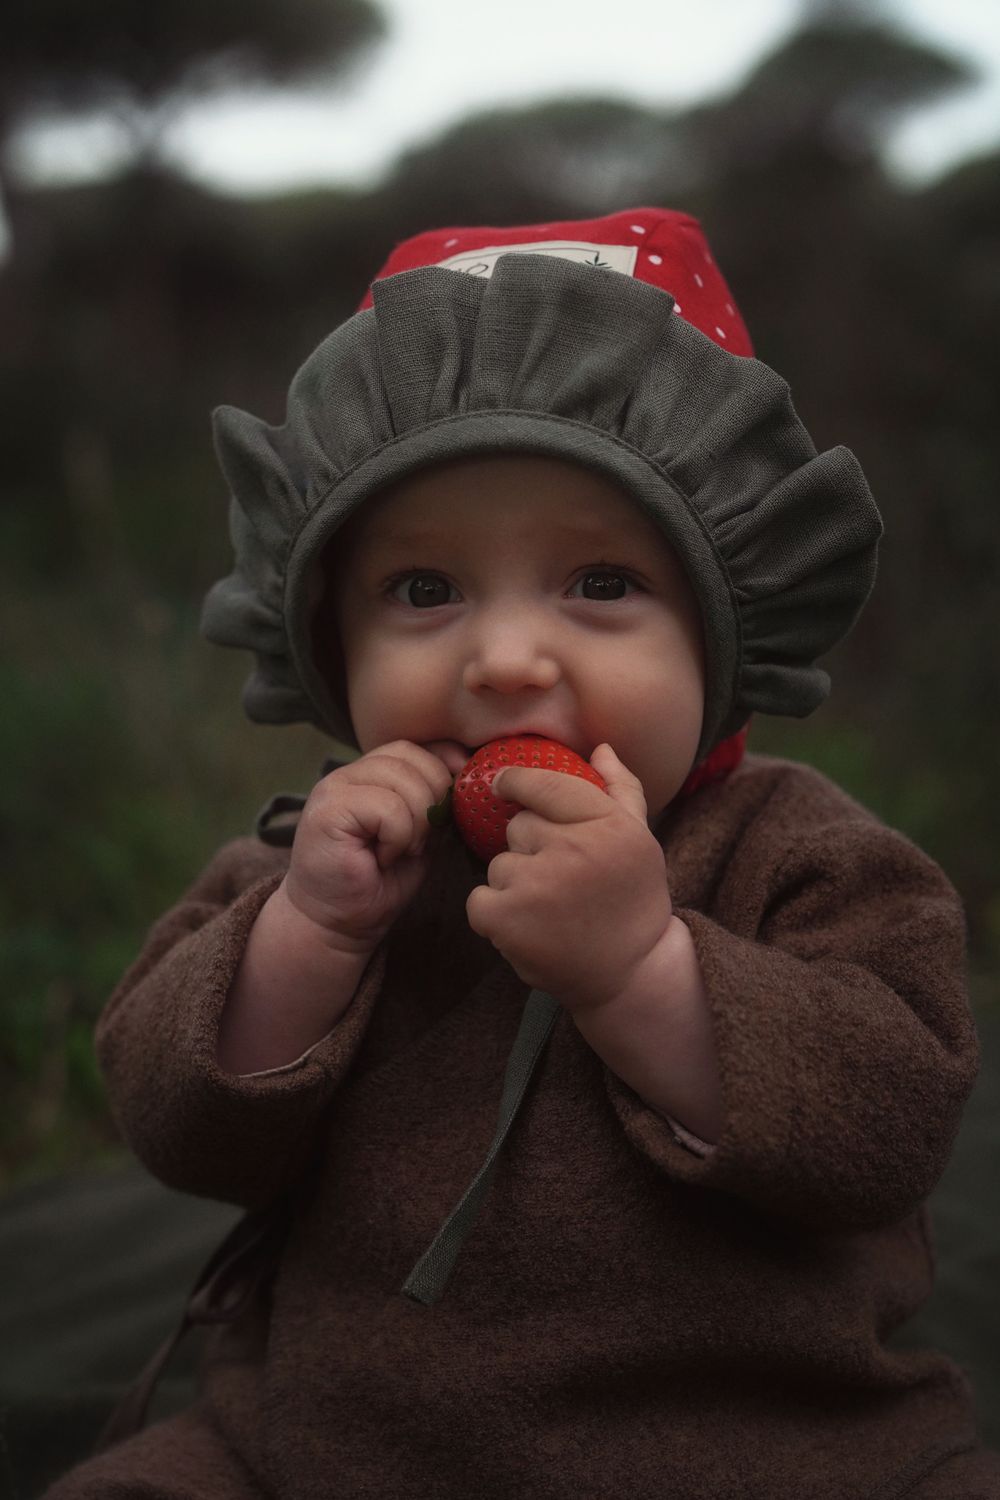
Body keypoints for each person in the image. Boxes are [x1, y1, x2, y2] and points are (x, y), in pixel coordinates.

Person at [45, 208, 1000, 1499]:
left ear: (725, 631)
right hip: (329, 1446)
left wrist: (642, 974)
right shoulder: (316, 866)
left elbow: (887, 1128)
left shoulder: (804, 853)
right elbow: (176, 1127)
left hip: (770, 1447)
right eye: (424, 591)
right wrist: (306, 943)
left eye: (600, 583)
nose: (502, 660)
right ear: (328, 642)